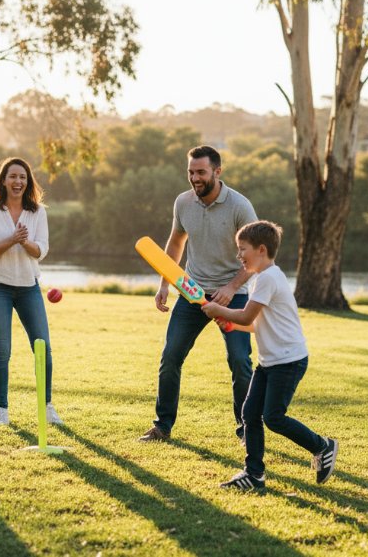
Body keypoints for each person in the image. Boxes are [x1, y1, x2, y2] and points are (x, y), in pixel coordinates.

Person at [201, 220, 338, 491]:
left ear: (261, 250)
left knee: (273, 417)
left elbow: (247, 314)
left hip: (288, 361)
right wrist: (231, 323)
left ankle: (322, 446)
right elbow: (254, 323)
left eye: (243, 250)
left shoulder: (267, 278)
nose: (239, 255)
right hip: (270, 362)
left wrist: (219, 310)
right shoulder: (261, 279)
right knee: (250, 413)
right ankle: (254, 475)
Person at [139, 145, 258, 443]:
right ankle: (162, 427)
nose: (195, 178)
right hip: (192, 293)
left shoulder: (240, 206)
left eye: (201, 172)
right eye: (191, 172)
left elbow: (256, 255)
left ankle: (246, 429)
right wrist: (165, 283)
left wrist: (231, 288)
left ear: (217, 172)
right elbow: (176, 242)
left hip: (234, 296)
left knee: (240, 361)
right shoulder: (183, 203)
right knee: (171, 357)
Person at [0, 157, 62, 426]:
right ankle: (2, 410)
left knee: (43, 347)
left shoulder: (38, 212)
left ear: (28, 182)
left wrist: (25, 243)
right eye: (13, 176)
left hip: (28, 288)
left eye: (23, 177)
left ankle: (47, 406)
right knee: (2, 350)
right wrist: (12, 239)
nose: (18, 182)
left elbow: (42, 250)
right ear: (3, 180)